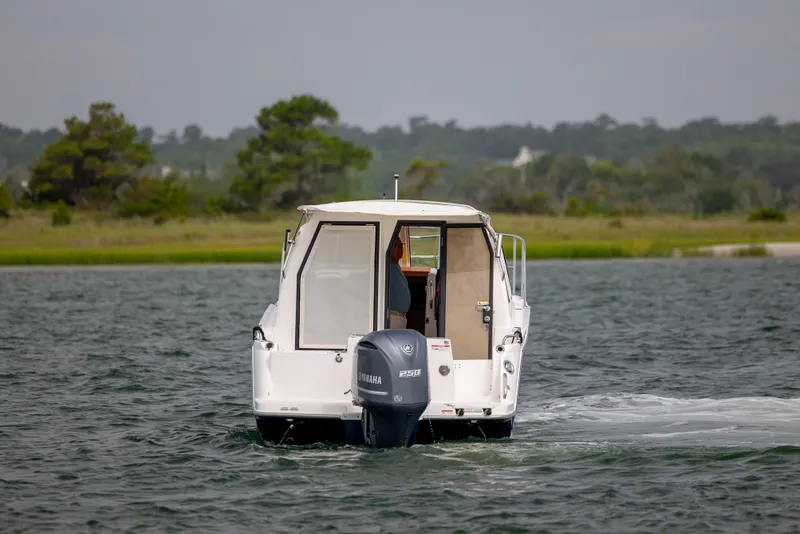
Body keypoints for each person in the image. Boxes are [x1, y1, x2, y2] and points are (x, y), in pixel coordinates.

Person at [388, 238, 411, 329]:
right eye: (395, 246)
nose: (400, 249)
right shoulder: (386, 266)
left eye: (401, 246)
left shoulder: (395, 266)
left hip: (400, 317)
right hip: (392, 316)